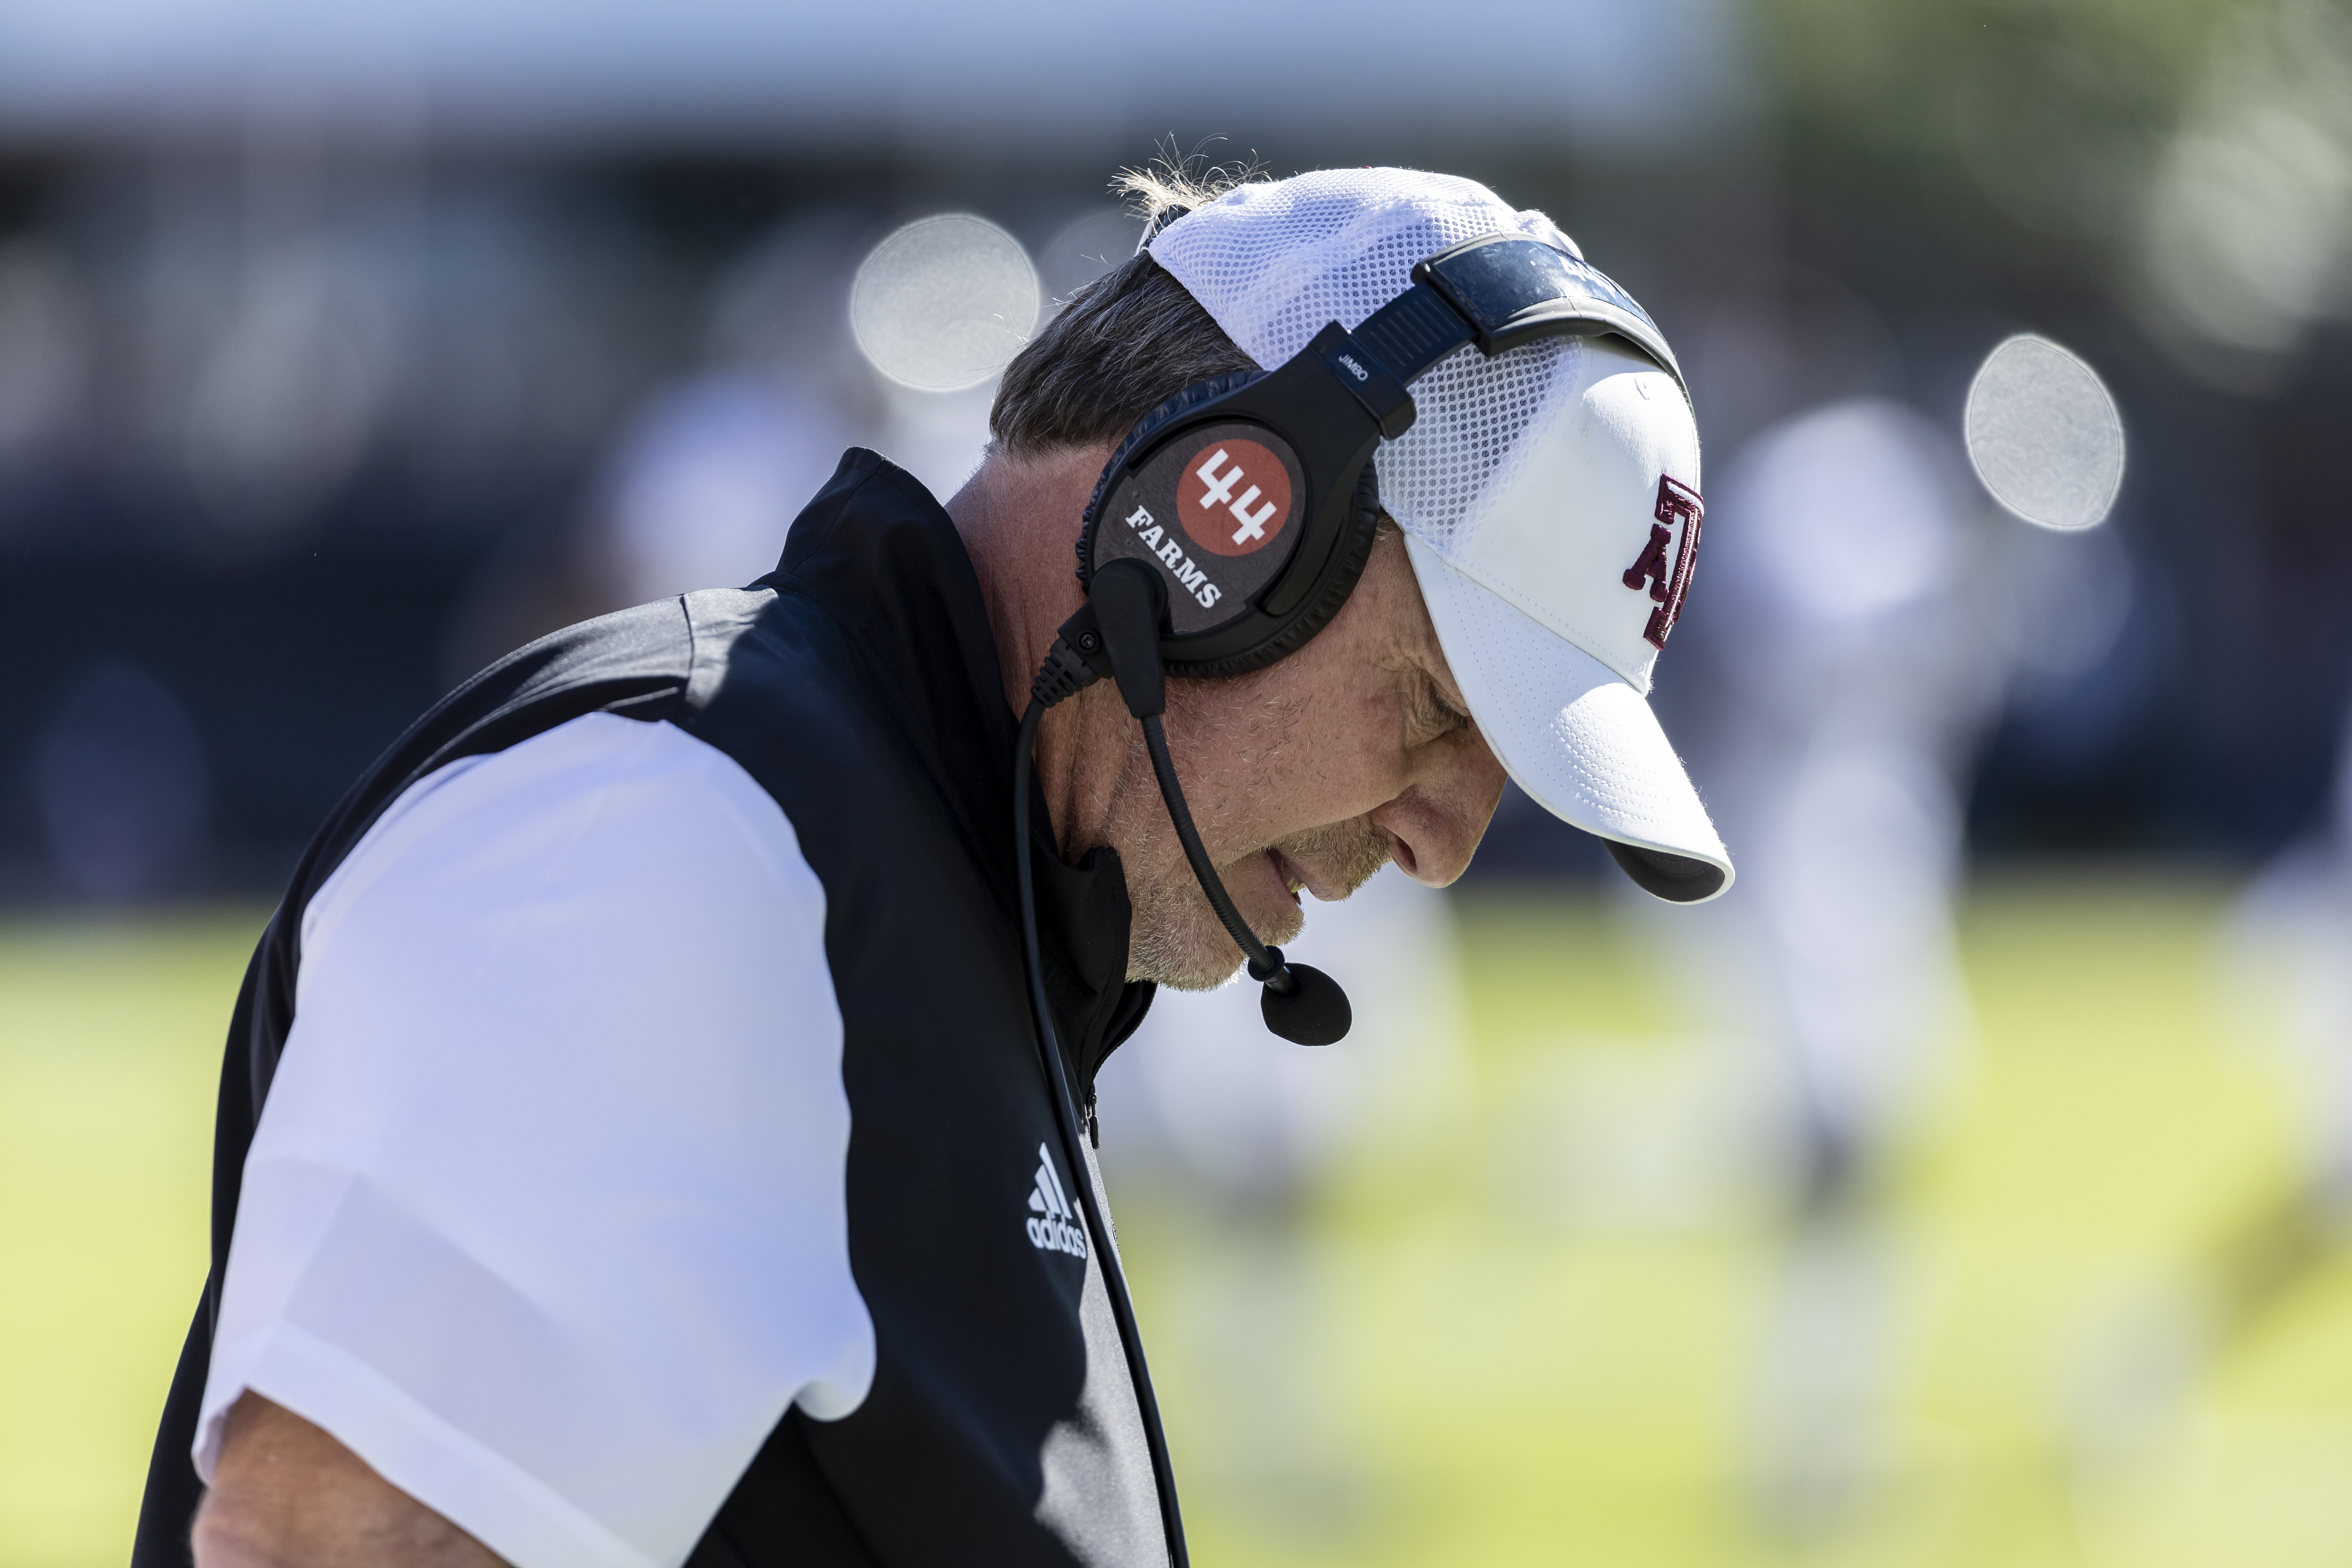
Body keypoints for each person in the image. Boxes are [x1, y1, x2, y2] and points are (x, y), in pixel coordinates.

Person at [132, 164, 1731, 1568]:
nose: (1443, 843)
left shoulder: (925, 900)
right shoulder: (687, 845)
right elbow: (326, 1552)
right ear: (1220, 523)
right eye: (1437, 708)